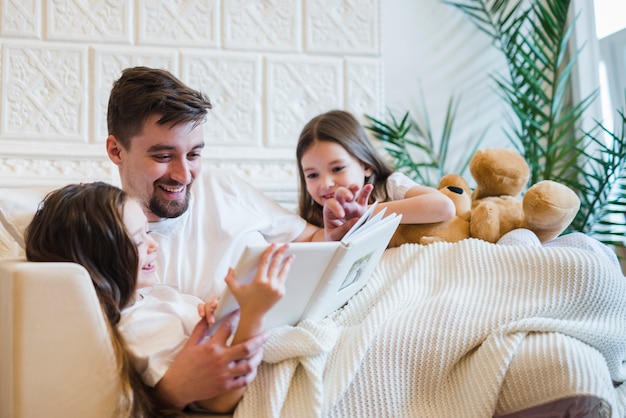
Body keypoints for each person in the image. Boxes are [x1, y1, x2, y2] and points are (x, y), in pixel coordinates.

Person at [104, 66, 372, 411]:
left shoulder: (222, 186)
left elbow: (311, 239)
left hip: (329, 313)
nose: (184, 175)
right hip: (266, 358)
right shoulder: (121, 246)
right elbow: (175, 383)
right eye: (163, 155)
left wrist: (335, 232)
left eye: (194, 154)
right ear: (116, 150)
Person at [24, 182, 294, 416]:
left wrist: (223, 314)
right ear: (99, 261)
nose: (154, 245)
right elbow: (218, 401)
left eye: (148, 233)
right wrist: (253, 313)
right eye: (138, 241)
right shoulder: (139, 329)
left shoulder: (153, 297)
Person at [296, 109, 456, 228]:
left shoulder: (390, 186)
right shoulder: (308, 218)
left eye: (337, 169)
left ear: (366, 165)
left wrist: (366, 213)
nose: (325, 183)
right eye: (312, 175)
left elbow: (444, 206)